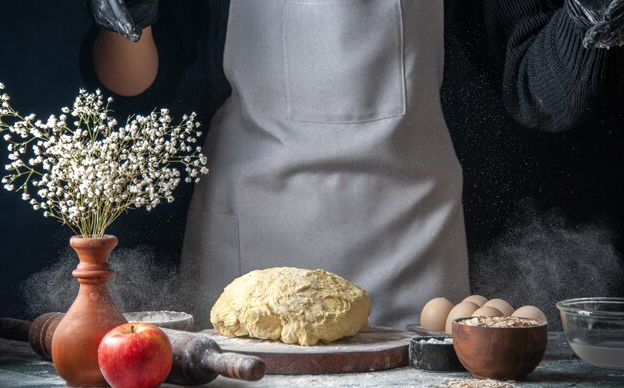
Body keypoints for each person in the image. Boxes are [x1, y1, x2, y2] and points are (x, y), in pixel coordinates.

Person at [82, 0, 623, 329]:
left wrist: (593, 16)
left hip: (415, 256)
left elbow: (537, 92)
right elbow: (133, 80)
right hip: (252, 255)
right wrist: (131, 17)